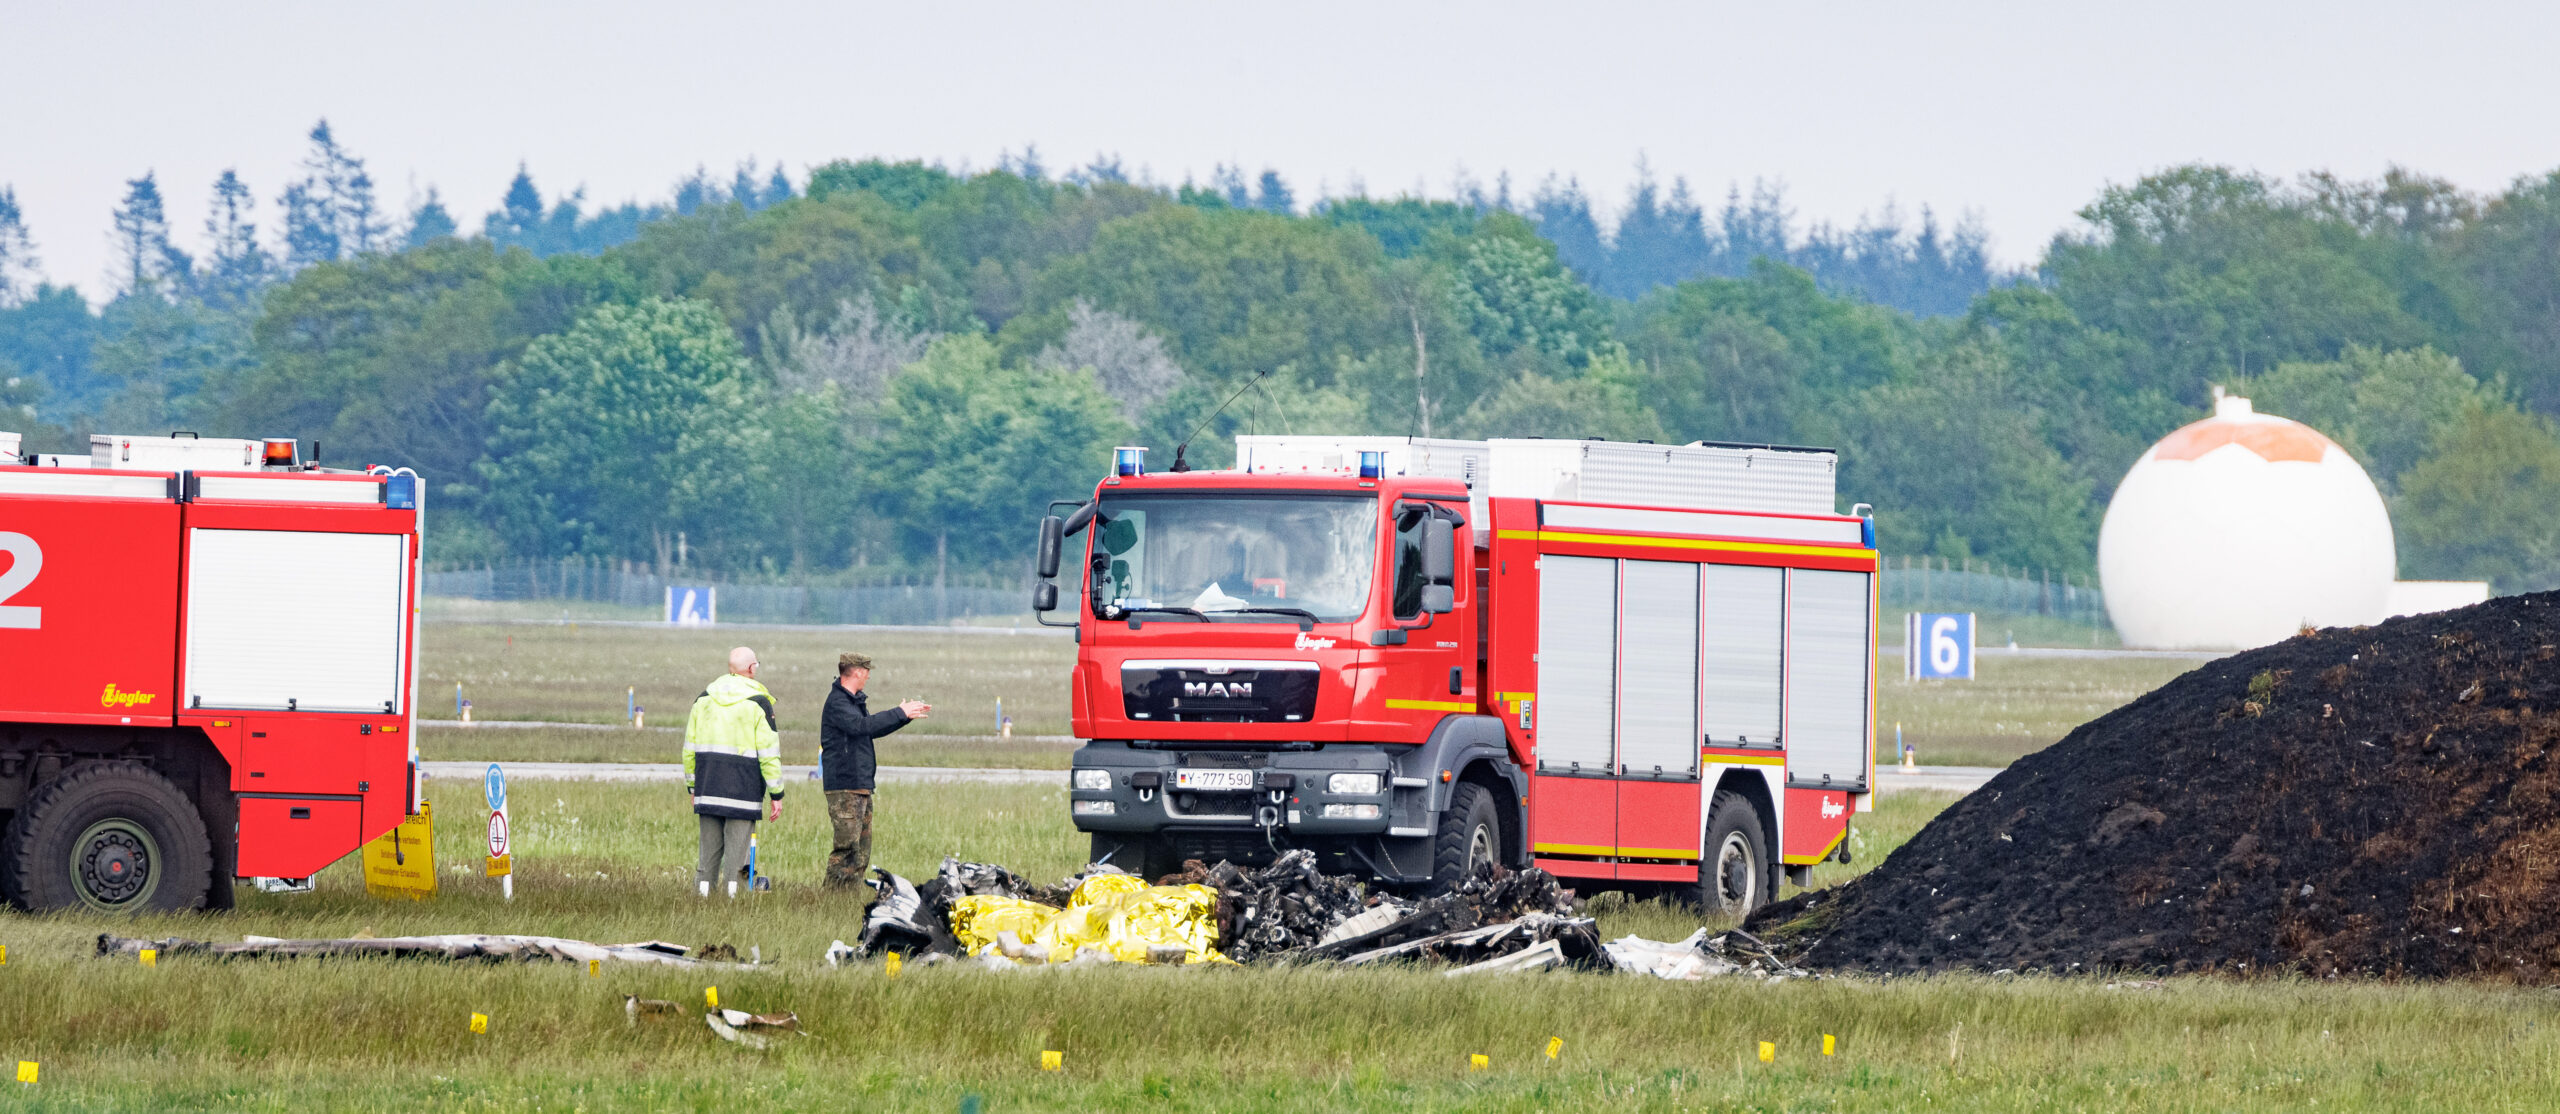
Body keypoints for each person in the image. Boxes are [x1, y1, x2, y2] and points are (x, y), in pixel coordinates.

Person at [819, 651, 930, 889]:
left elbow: (871, 730)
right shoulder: (838, 703)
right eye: (867, 671)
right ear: (858, 672)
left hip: (861, 785)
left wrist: (903, 717)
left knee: (861, 851)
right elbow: (861, 726)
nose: (869, 676)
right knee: (847, 849)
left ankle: (849, 895)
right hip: (845, 786)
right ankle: (831, 897)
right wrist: (899, 712)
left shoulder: (853, 701)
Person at [683, 646, 784, 898]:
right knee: (737, 861)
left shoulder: (703, 698)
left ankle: (701, 902)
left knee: (707, 858)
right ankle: (733, 904)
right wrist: (776, 793)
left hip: (707, 788)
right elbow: (769, 753)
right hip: (743, 791)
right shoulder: (758, 702)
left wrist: (693, 787)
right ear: (751, 669)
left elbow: (689, 749)